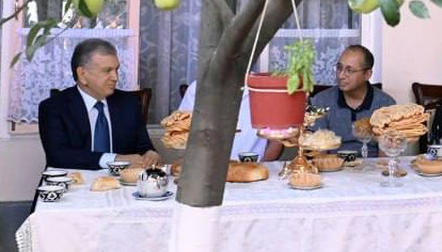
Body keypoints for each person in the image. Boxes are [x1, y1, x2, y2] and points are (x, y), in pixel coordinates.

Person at [38, 38, 160, 170]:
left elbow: (143, 146)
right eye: (107, 71)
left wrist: (150, 154)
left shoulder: (130, 103)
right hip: (75, 183)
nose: (115, 77)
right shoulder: (54, 107)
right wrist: (114, 160)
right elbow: (58, 156)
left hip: (123, 185)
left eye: (116, 70)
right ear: (82, 74)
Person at [309, 44, 395, 150]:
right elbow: (319, 153)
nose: (341, 76)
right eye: (339, 68)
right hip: (333, 164)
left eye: (349, 70)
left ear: (367, 74)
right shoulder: (321, 101)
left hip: (372, 163)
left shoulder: (386, 104)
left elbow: (387, 155)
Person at [177, 83, 283, 161]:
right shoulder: (196, 89)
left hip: (252, 172)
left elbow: (277, 140)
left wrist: (264, 165)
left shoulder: (261, 90)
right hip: (206, 175)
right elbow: (180, 133)